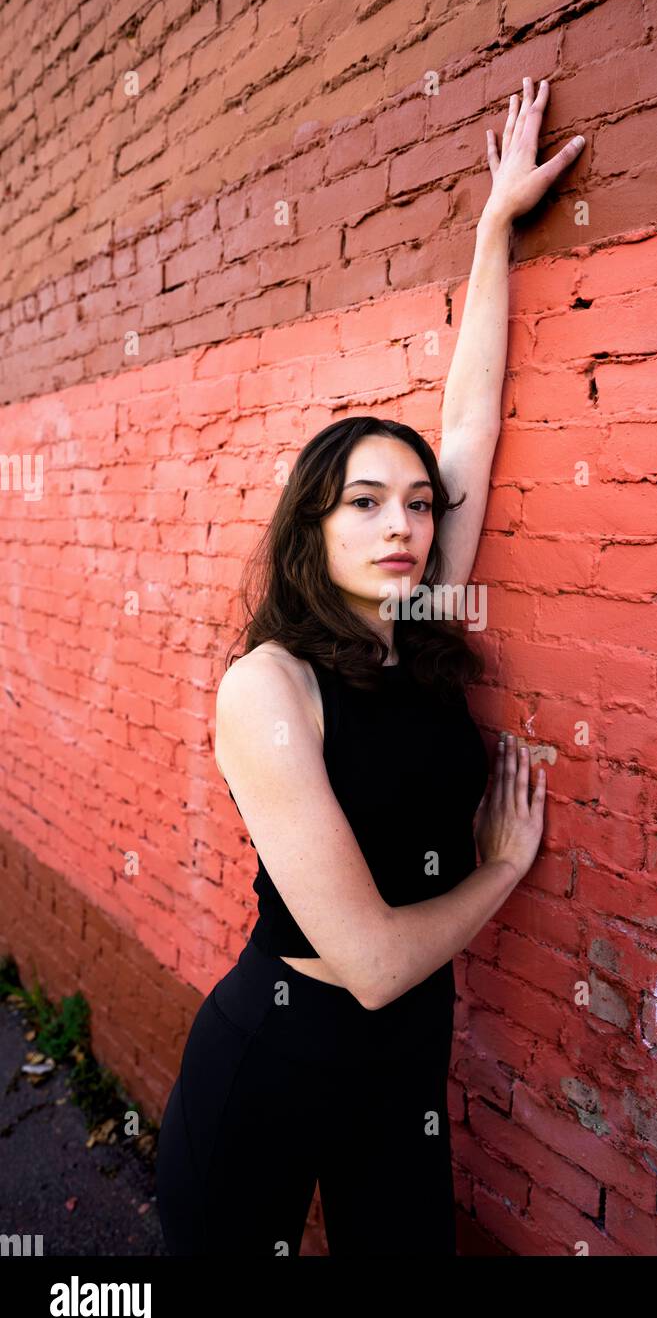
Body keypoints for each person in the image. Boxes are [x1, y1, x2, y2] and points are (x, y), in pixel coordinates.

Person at [156, 78, 583, 1256]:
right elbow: (375, 962)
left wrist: (494, 230)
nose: (400, 522)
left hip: (407, 1059)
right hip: (280, 1047)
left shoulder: (422, 619)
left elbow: (470, 418)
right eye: (362, 503)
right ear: (313, 528)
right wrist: (500, 873)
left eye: (414, 504)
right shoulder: (270, 684)